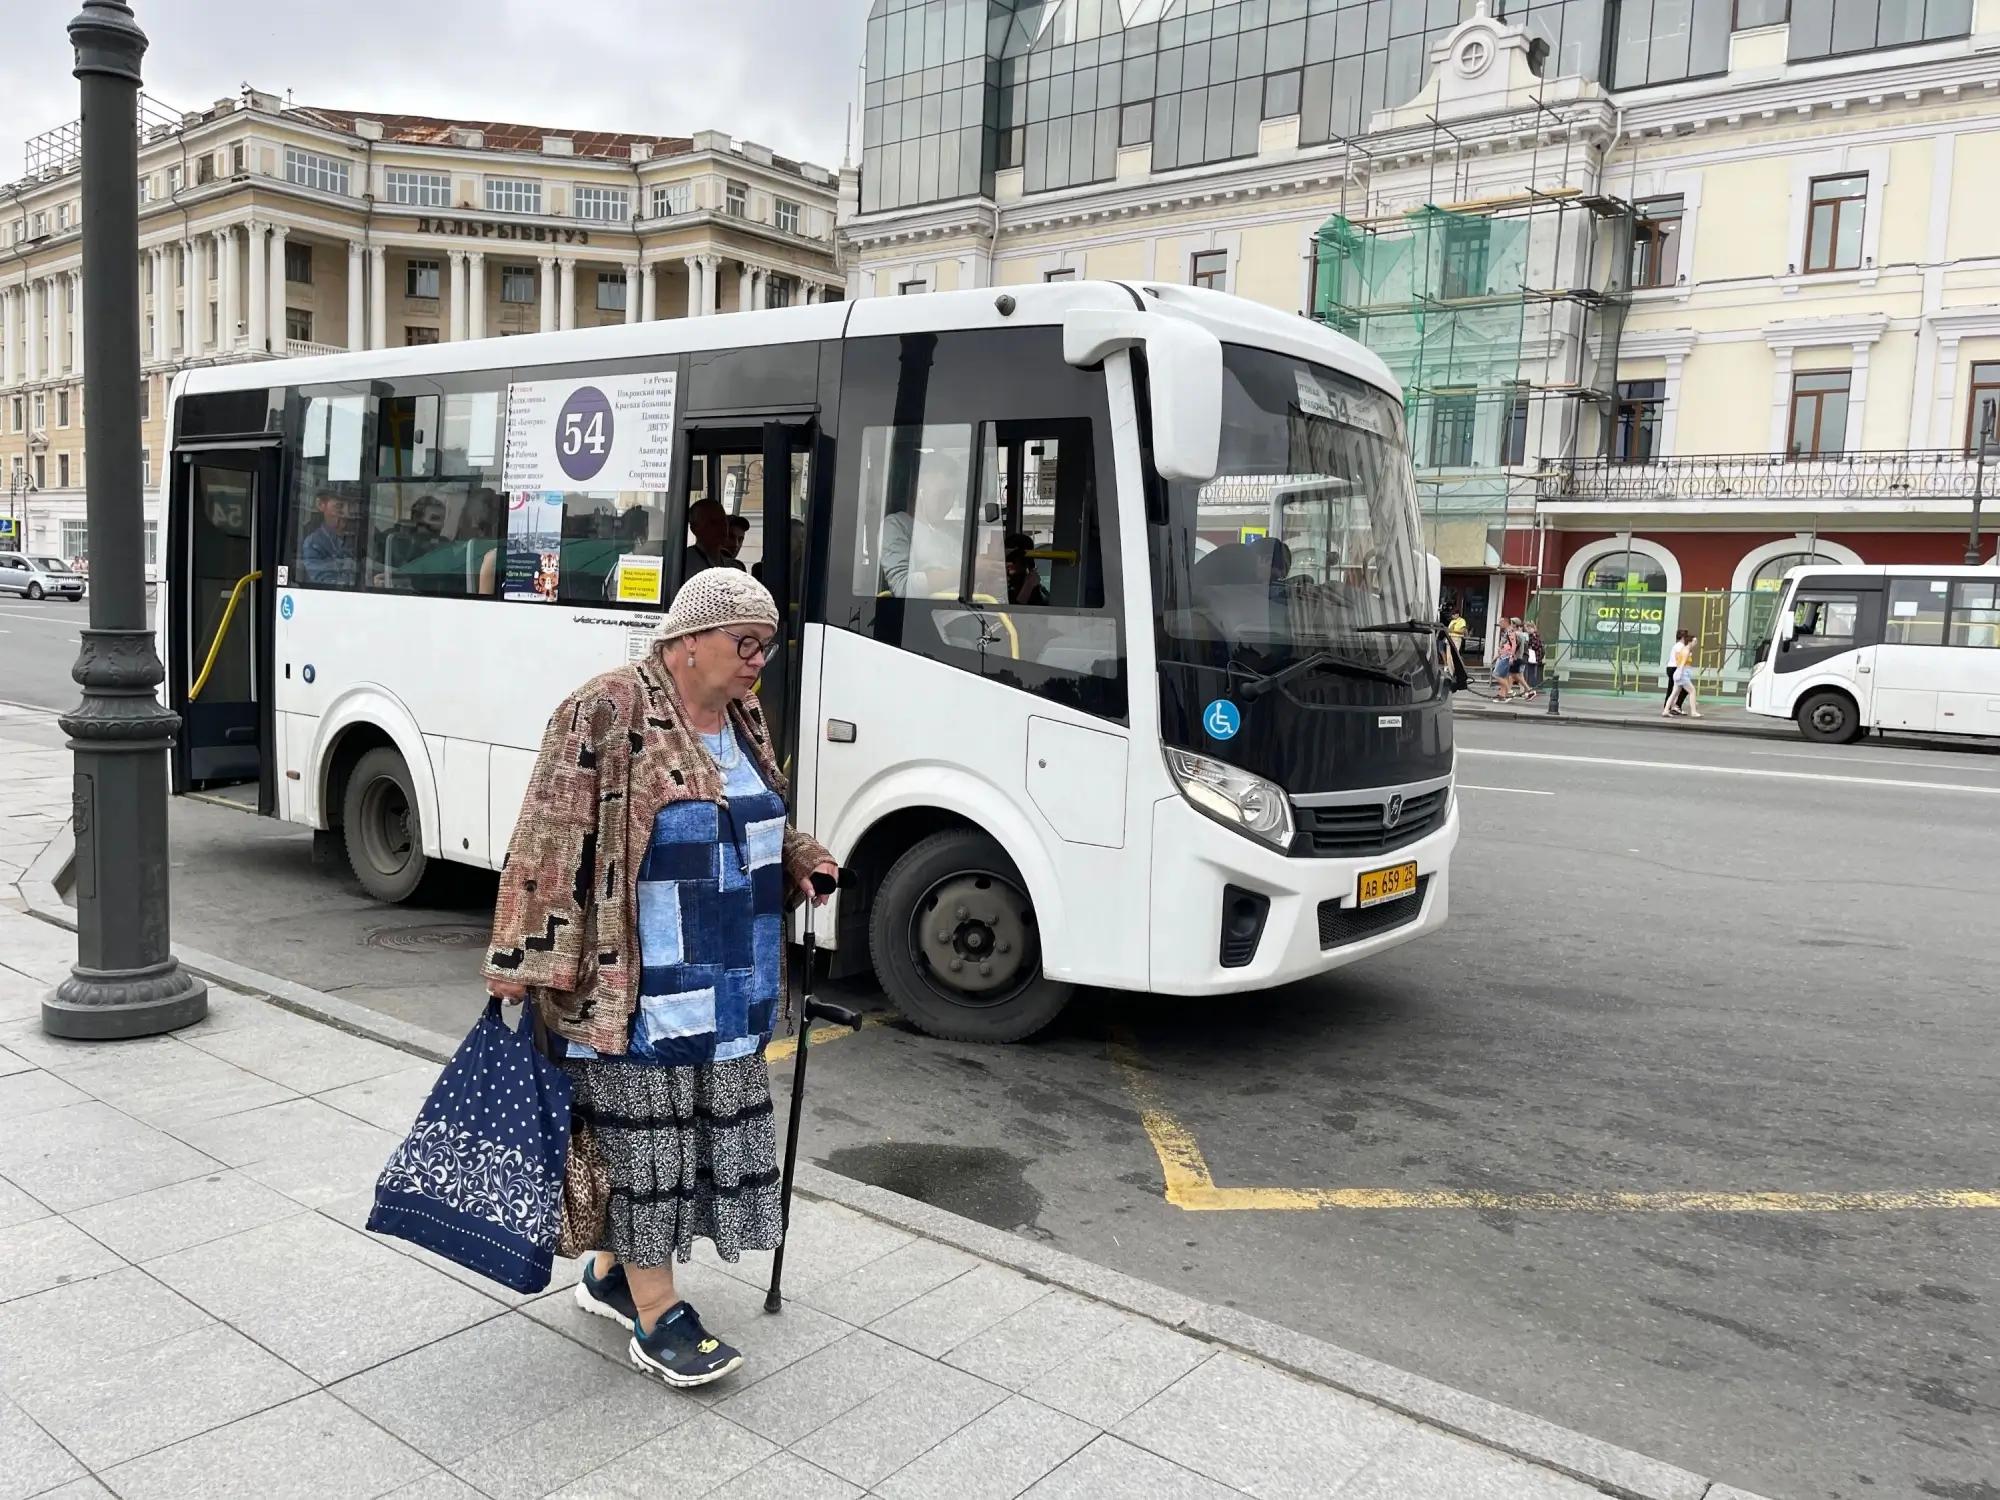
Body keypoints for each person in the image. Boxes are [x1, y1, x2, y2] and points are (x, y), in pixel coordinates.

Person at [484, 569, 837, 1389]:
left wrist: (802, 857)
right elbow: (549, 833)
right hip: (635, 987)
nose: (758, 661)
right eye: (743, 642)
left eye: (767, 645)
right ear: (685, 642)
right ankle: (659, 1318)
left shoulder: (742, 716)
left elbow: (755, 810)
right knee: (646, 1154)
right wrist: (520, 963)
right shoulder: (607, 707)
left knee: (682, 1150)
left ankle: (612, 1277)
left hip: (732, 980)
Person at [300, 491, 361, 585]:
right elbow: (325, 583)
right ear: (321, 505)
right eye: (339, 506)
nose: (347, 514)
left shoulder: (360, 538)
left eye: (352, 507)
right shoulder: (313, 543)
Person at [682, 498, 742, 579]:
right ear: (695, 528)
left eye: (723, 521)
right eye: (713, 522)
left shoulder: (734, 567)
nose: (721, 527)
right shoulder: (684, 563)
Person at [1005, 532, 1050, 607]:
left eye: (1013, 559)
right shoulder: (1000, 582)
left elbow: (1016, 613)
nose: (1007, 563)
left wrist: (1028, 586)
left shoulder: (1032, 585)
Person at [1664, 629, 1702, 718]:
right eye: (1694, 641)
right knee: (1692, 691)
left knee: (1674, 693)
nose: (1695, 643)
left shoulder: (1683, 648)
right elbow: (1681, 662)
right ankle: (1693, 711)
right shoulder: (1683, 648)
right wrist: (1679, 672)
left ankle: (1667, 710)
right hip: (1681, 672)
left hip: (1680, 672)